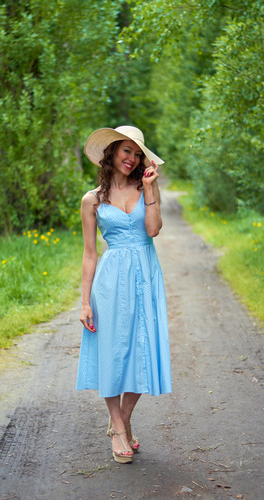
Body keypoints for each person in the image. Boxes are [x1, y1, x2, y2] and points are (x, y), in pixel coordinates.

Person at [76, 125, 172, 464]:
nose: (131, 158)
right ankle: (117, 426)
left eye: (137, 152)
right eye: (125, 150)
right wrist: (86, 301)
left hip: (145, 275)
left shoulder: (146, 186)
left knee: (142, 349)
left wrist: (150, 187)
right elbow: (90, 254)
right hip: (110, 280)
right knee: (113, 352)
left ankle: (123, 419)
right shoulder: (92, 199)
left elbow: (153, 229)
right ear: (113, 152)